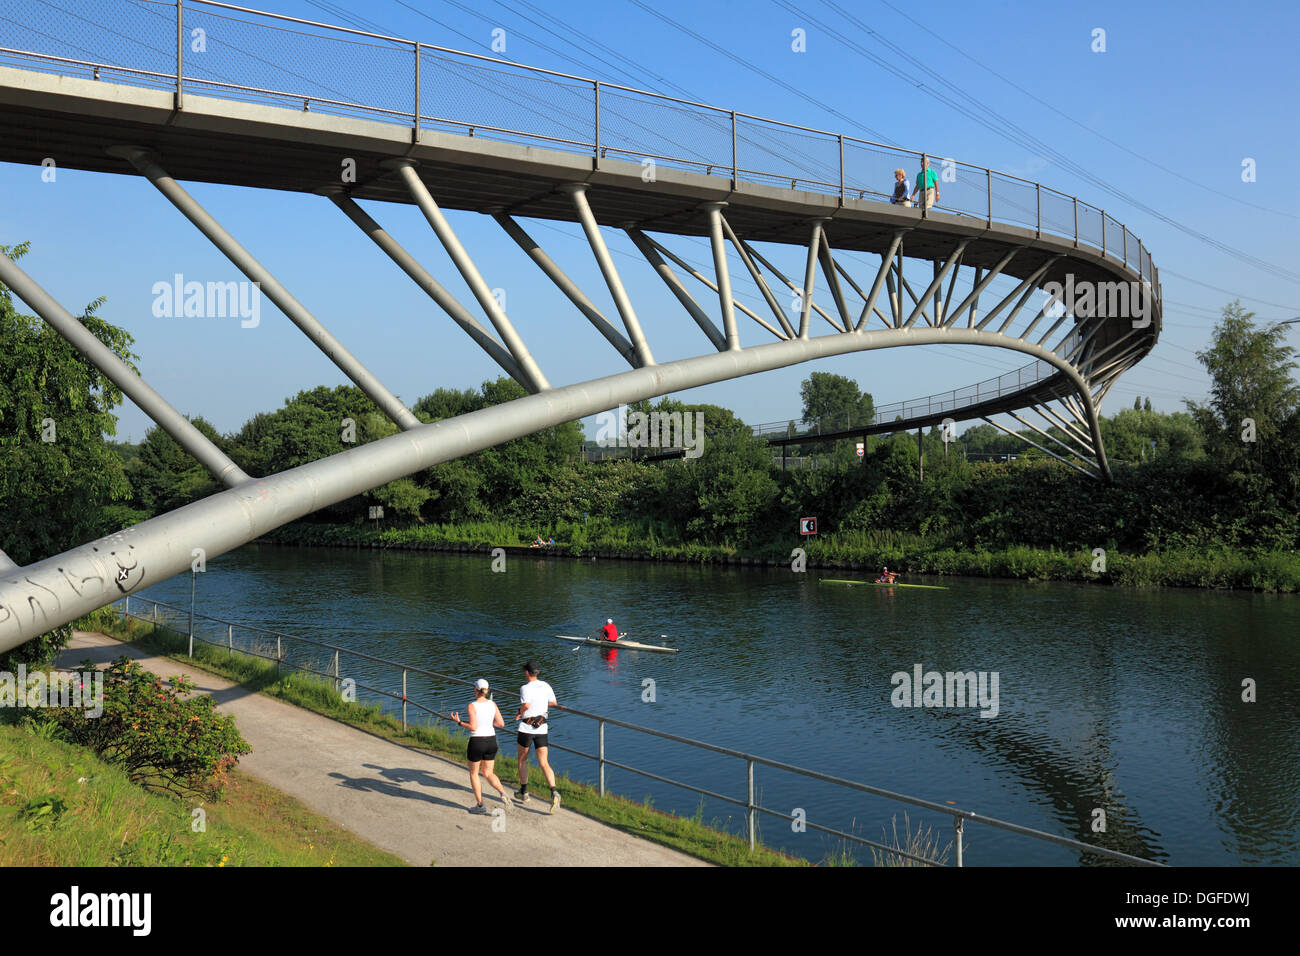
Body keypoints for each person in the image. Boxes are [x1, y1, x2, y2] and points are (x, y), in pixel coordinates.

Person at [451, 678, 509, 814]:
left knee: (474, 773)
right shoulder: (492, 704)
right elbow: (501, 723)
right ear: (487, 691)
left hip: (477, 742)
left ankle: (480, 806)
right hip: (491, 741)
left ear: (475, 690)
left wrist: (459, 722)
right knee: (488, 773)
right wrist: (488, 723)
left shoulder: (472, 705)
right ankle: (502, 793)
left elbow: (473, 727)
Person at [513, 661, 561, 813]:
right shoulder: (546, 686)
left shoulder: (525, 688)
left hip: (526, 728)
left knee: (522, 760)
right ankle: (554, 792)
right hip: (542, 728)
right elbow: (553, 702)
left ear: (527, 672)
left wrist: (519, 713)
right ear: (537, 672)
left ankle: (524, 792)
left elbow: (526, 705)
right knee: (544, 763)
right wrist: (542, 704)